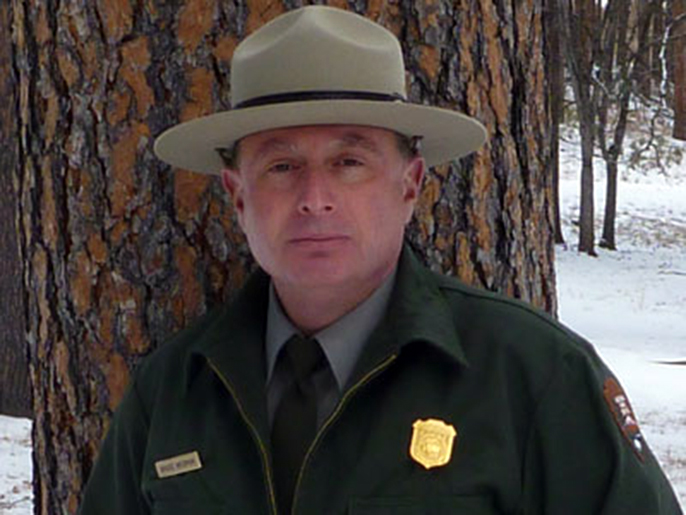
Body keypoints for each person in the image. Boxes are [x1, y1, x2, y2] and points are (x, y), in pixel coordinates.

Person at [79, 6, 683, 515]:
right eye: (282, 167)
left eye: (349, 162)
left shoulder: (531, 376)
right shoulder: (173, 391)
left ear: (409, 185)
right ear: (239, 195)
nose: (315, 199)